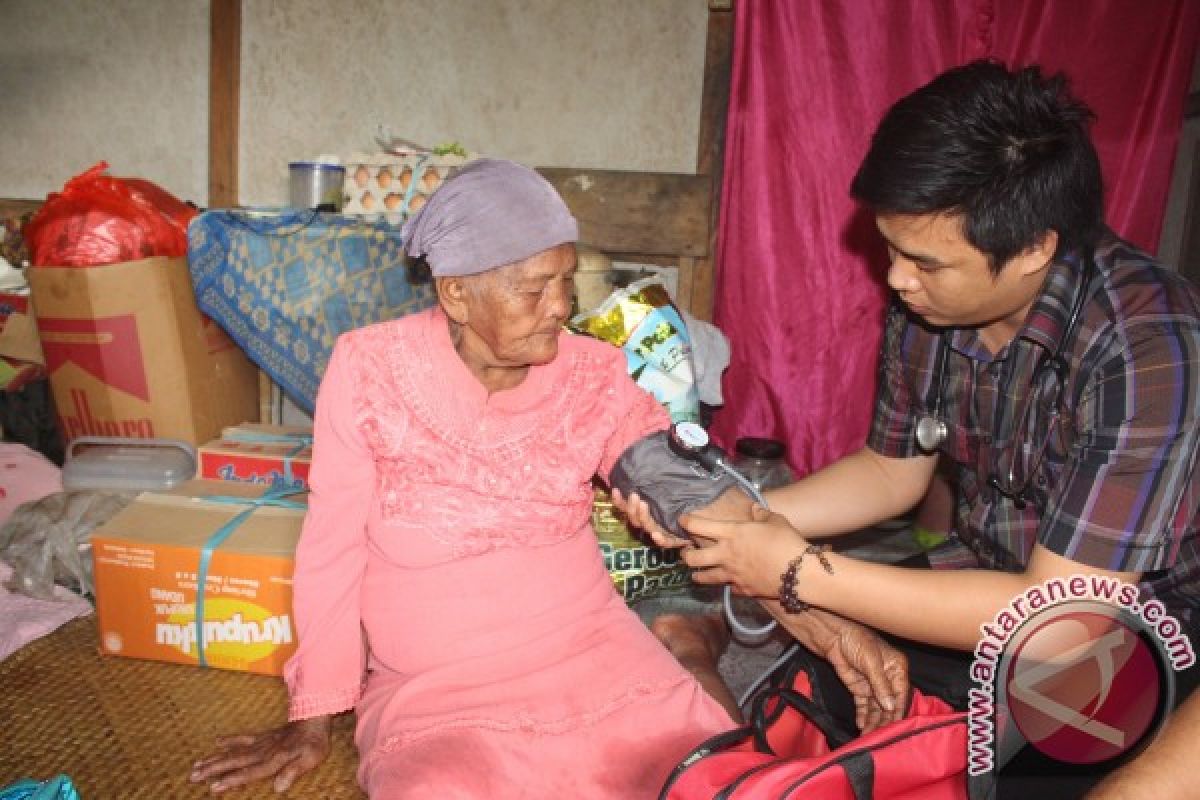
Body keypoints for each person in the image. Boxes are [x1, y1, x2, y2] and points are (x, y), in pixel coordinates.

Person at [188, 158, 906, 798]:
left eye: (564, 281)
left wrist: (832, 628)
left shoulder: (589, 372)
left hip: (593, 659)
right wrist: (314, 718)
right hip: (440, 691)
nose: (561, 307)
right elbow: (332, 549)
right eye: (534, 289)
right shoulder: (367, 369)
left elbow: (686, 488)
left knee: (706, 774)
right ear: (457, 293)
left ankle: (677, 680)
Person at [622, 59, 1200, 791]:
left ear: (1033, 249)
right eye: (891, 248)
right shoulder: (936, 307)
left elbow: (1064, 614)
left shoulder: (1149, 345)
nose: (896, 279)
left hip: (1129, 630)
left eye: (924, 261)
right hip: (987, 573)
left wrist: (799, 569)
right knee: (826, 697)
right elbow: (891, 471)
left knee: (1007, 772)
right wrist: (734, 522)